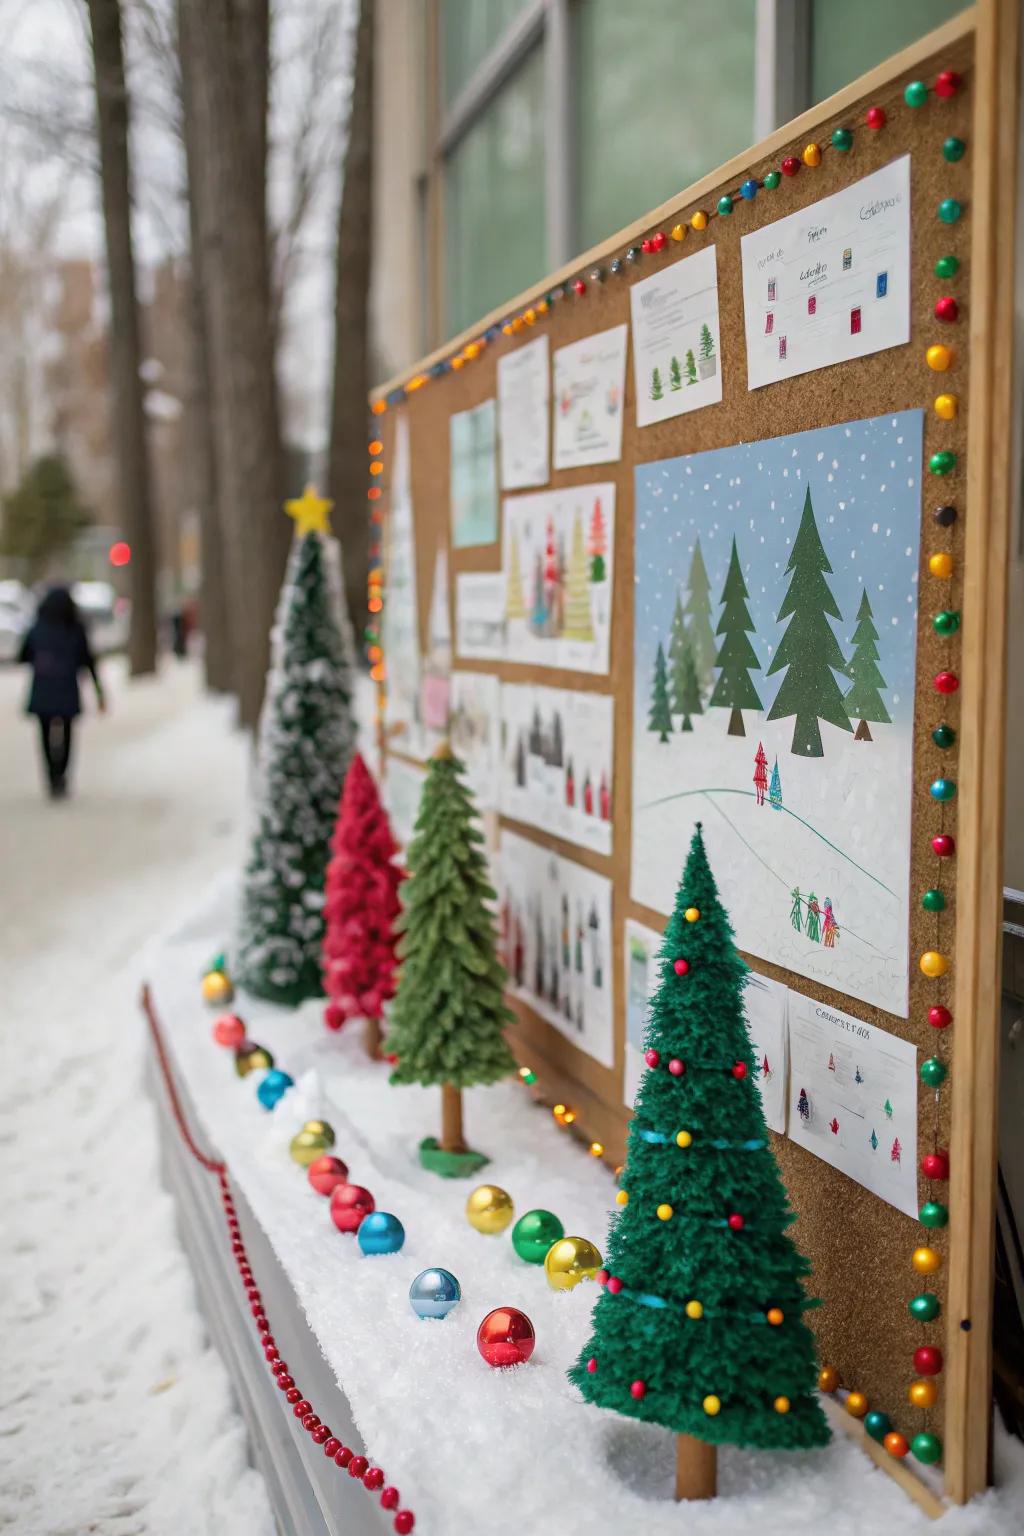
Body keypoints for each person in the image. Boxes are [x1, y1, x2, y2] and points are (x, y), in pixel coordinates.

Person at [18, 585, 105, 798]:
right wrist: (99, 692)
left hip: (43, 689)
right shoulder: (75, 629)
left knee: (45, 735)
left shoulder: (38, 627)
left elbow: (23, 656)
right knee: (67, 734)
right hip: (67, 689)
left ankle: (51, 776)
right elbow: (88, 661)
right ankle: (62, 775)